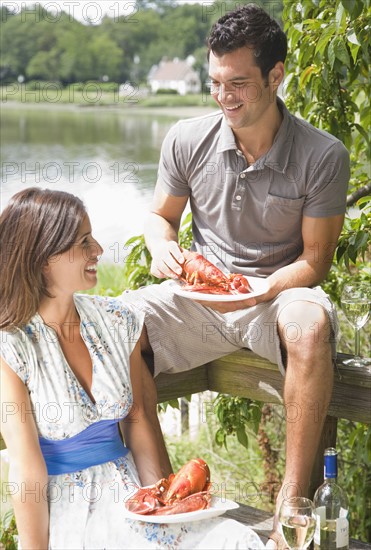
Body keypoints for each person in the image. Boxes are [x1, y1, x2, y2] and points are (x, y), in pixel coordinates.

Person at [120, 4, 350, 548]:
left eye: (240, 84)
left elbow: (315, 260)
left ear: (276, 75)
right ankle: (168, 504)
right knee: (114, 322)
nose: (225, 97)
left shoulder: (323, 154)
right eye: (217, 82)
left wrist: (266, 287)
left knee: (310, 328)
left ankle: (289, 509)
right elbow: (161, 218)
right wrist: (161, 246)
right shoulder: (186, 138)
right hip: (199, 298)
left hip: (276, 295)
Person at [0, 187, 264, 549]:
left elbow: (138, 421)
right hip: (71, 511)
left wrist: (164, 508)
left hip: (134, 496)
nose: (98, 251)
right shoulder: (11, 346)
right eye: (84, 242)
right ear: (45, 257)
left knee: (235, 539)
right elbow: (27, 470)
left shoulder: (117, 320)